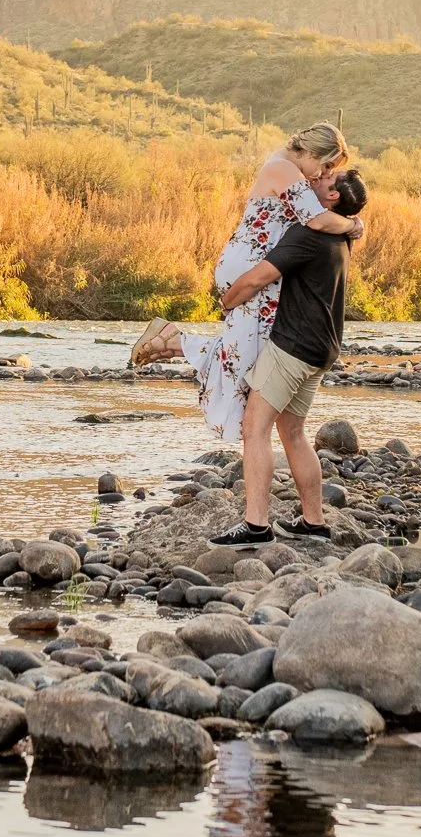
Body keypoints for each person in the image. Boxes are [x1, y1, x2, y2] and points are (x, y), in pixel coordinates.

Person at [130, 124, 364, 444]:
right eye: (324, 165)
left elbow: (315, 217)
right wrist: (353, 224)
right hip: (253, 270)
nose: (321, 174)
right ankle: (178, 345)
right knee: (247, 360)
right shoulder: (283, 168)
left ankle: (174, 341)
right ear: (311, 152)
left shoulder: (290, 170)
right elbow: (317, 220)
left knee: (243, 351)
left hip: (256, 268)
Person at [206, 168, 355, 546]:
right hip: (322, 348)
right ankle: (314, 523)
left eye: (326, 178)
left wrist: (225, 301)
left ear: (333, 197)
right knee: (293, 432)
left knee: (254, 428)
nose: (317, 177)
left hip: (293, 347)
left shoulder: (310, 234)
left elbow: (258, 278)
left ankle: (255, 526)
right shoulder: (340, 238)